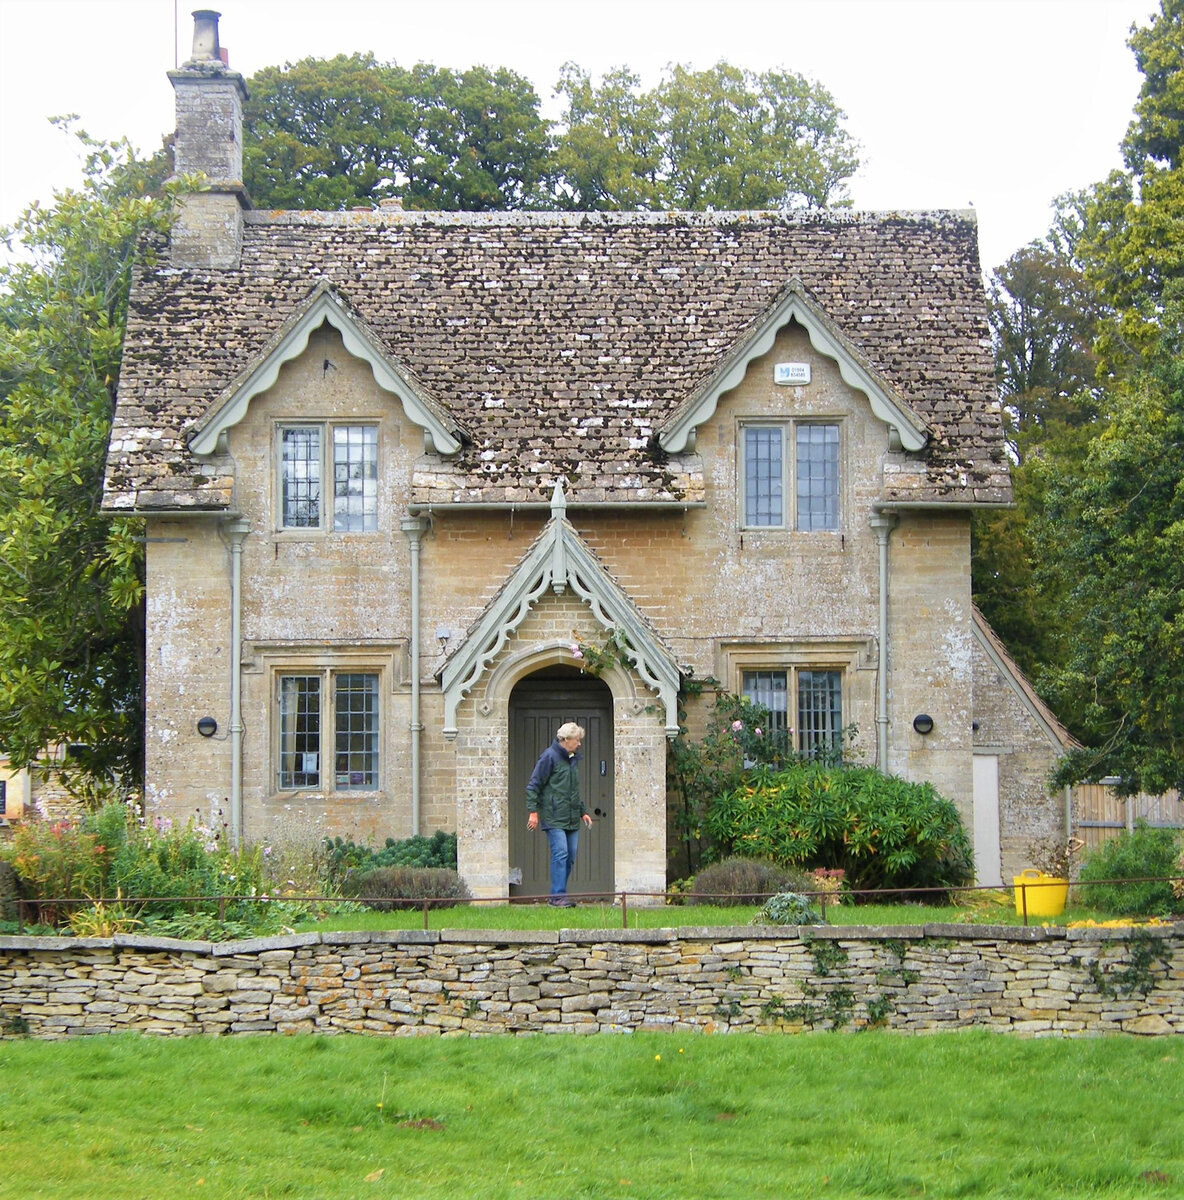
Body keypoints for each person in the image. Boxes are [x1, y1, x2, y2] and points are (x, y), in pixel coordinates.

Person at [526, 721, 592, 907]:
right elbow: (534, 785)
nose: (579, 743)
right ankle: (557, 897)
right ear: (565, 739)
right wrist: (533, 812)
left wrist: (582, 812)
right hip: (553, 816)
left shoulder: (572, 759)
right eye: (577, 740)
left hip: (571, 817)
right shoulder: (549, 757)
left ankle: (559, 894)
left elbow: (572, 790)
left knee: (570, 856)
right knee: (561, 853)